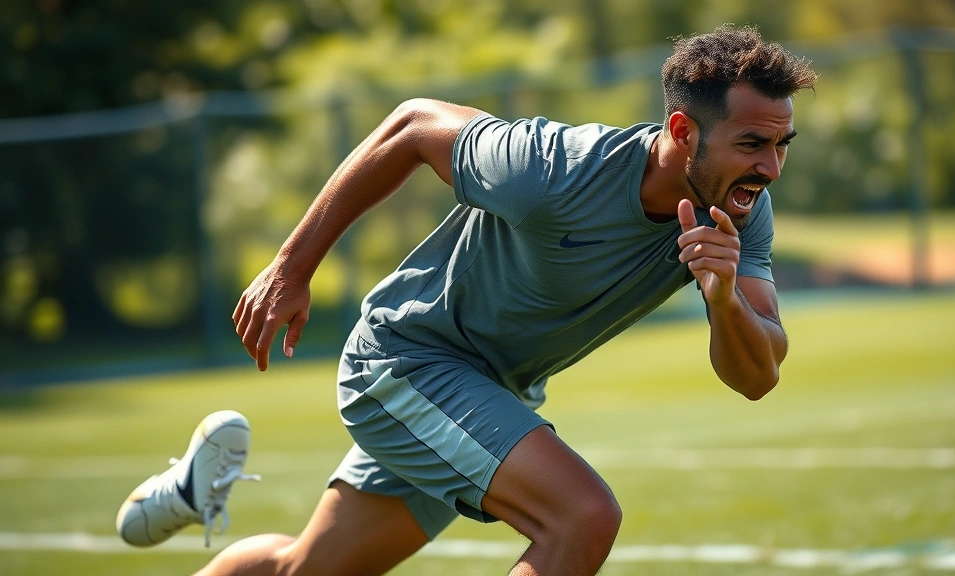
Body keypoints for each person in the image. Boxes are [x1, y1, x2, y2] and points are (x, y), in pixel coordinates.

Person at [116, 23, 817, 576]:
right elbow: (413, 125)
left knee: (308, 569)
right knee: (581, 518)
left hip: (485, 392)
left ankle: (183, 494)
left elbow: (758, 375)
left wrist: (722, 299)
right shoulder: (553, 170)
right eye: (752, 143)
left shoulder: (743, 208)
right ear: (681, 131)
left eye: (782, 144)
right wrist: (290, 267)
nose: (771, 167)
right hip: (406, 363)